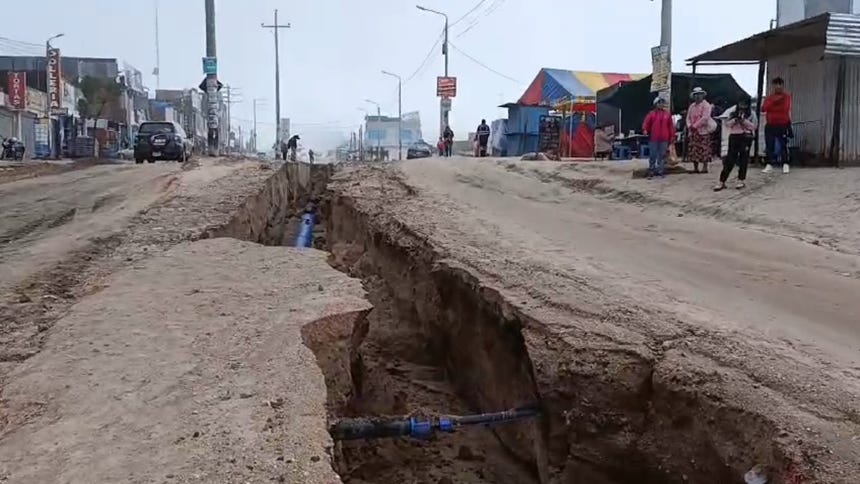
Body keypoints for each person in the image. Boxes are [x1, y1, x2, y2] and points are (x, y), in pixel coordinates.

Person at [715, 97, 757, 191]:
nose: (742, 106)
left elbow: (754, 126)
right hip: (734, 136)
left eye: (744, 104)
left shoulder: (752, 114)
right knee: (730, 159)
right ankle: (722, 181)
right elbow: (727, 124)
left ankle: (741, 179)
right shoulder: (732, 112)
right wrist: (735, 119)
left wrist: (744, 121)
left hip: (746, 137)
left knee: (743, 159)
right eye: (740, 104)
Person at [761, 77, 792, 174]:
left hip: (782, 124)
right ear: (773, 86)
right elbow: (764, 108)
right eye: (776, 85)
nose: (778, 87)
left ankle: (785, 164)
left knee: (783, 145)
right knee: (769, 145)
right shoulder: (769, 98)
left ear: (782, 86)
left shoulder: (787, 97)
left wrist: (773, 105)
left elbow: (785, 108)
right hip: (770, 125)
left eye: (780, 84)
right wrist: (775, 102)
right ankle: (769, 164)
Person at [642, 97, 675, 178]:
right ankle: (651, 171)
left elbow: (671, 126)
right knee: (652, 155)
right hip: (654, 138)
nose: (661, 104)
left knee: (662, 155)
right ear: (655, 104)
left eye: (662, 103)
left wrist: (672, 136)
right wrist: (645, 130)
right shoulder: (651, 114)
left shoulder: (667, 114)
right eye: (659, 103)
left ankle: (661, 171)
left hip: (664, 138)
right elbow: (646, 123)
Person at [686, 87, 716, 174]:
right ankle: (695, 167)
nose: (697, 97)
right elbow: (688, 117)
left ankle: (705, 167)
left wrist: (695, 125)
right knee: (694, 149)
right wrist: (690, 125)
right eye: (696, 95)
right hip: (693, 131)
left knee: (704, 148)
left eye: (699, 95)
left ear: (702, 95)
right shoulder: (691, 106)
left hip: (703, 130)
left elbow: (705, 118)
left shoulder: (706, 105)